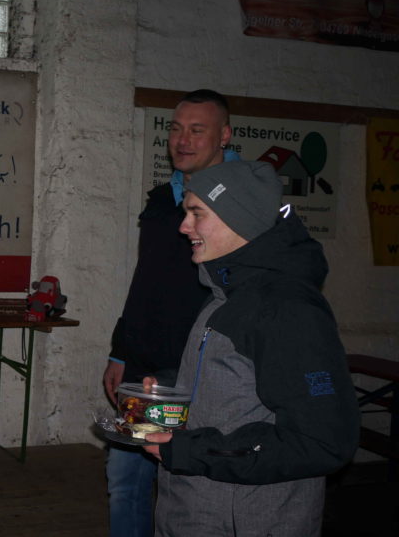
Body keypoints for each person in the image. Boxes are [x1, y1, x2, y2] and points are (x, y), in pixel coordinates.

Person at [143, 161, 360, 536]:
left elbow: (323, 441)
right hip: (197, 510)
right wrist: (168, 387)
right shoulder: (225, 295)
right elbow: (236, 381)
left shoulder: (286, 309)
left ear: (239, 219)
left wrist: (192, 451)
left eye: (197, 213)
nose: (184, 227)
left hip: (251, 520)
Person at [102, 89, 239, 536]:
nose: (182, 140)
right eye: (176, 129)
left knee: (190, 490)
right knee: (125, 483)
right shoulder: (164, 198)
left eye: (197, 130)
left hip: (204, 368)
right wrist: (121, 351)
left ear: (224, 136)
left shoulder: (247, 200)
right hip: (144, 367)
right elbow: (145, 280)